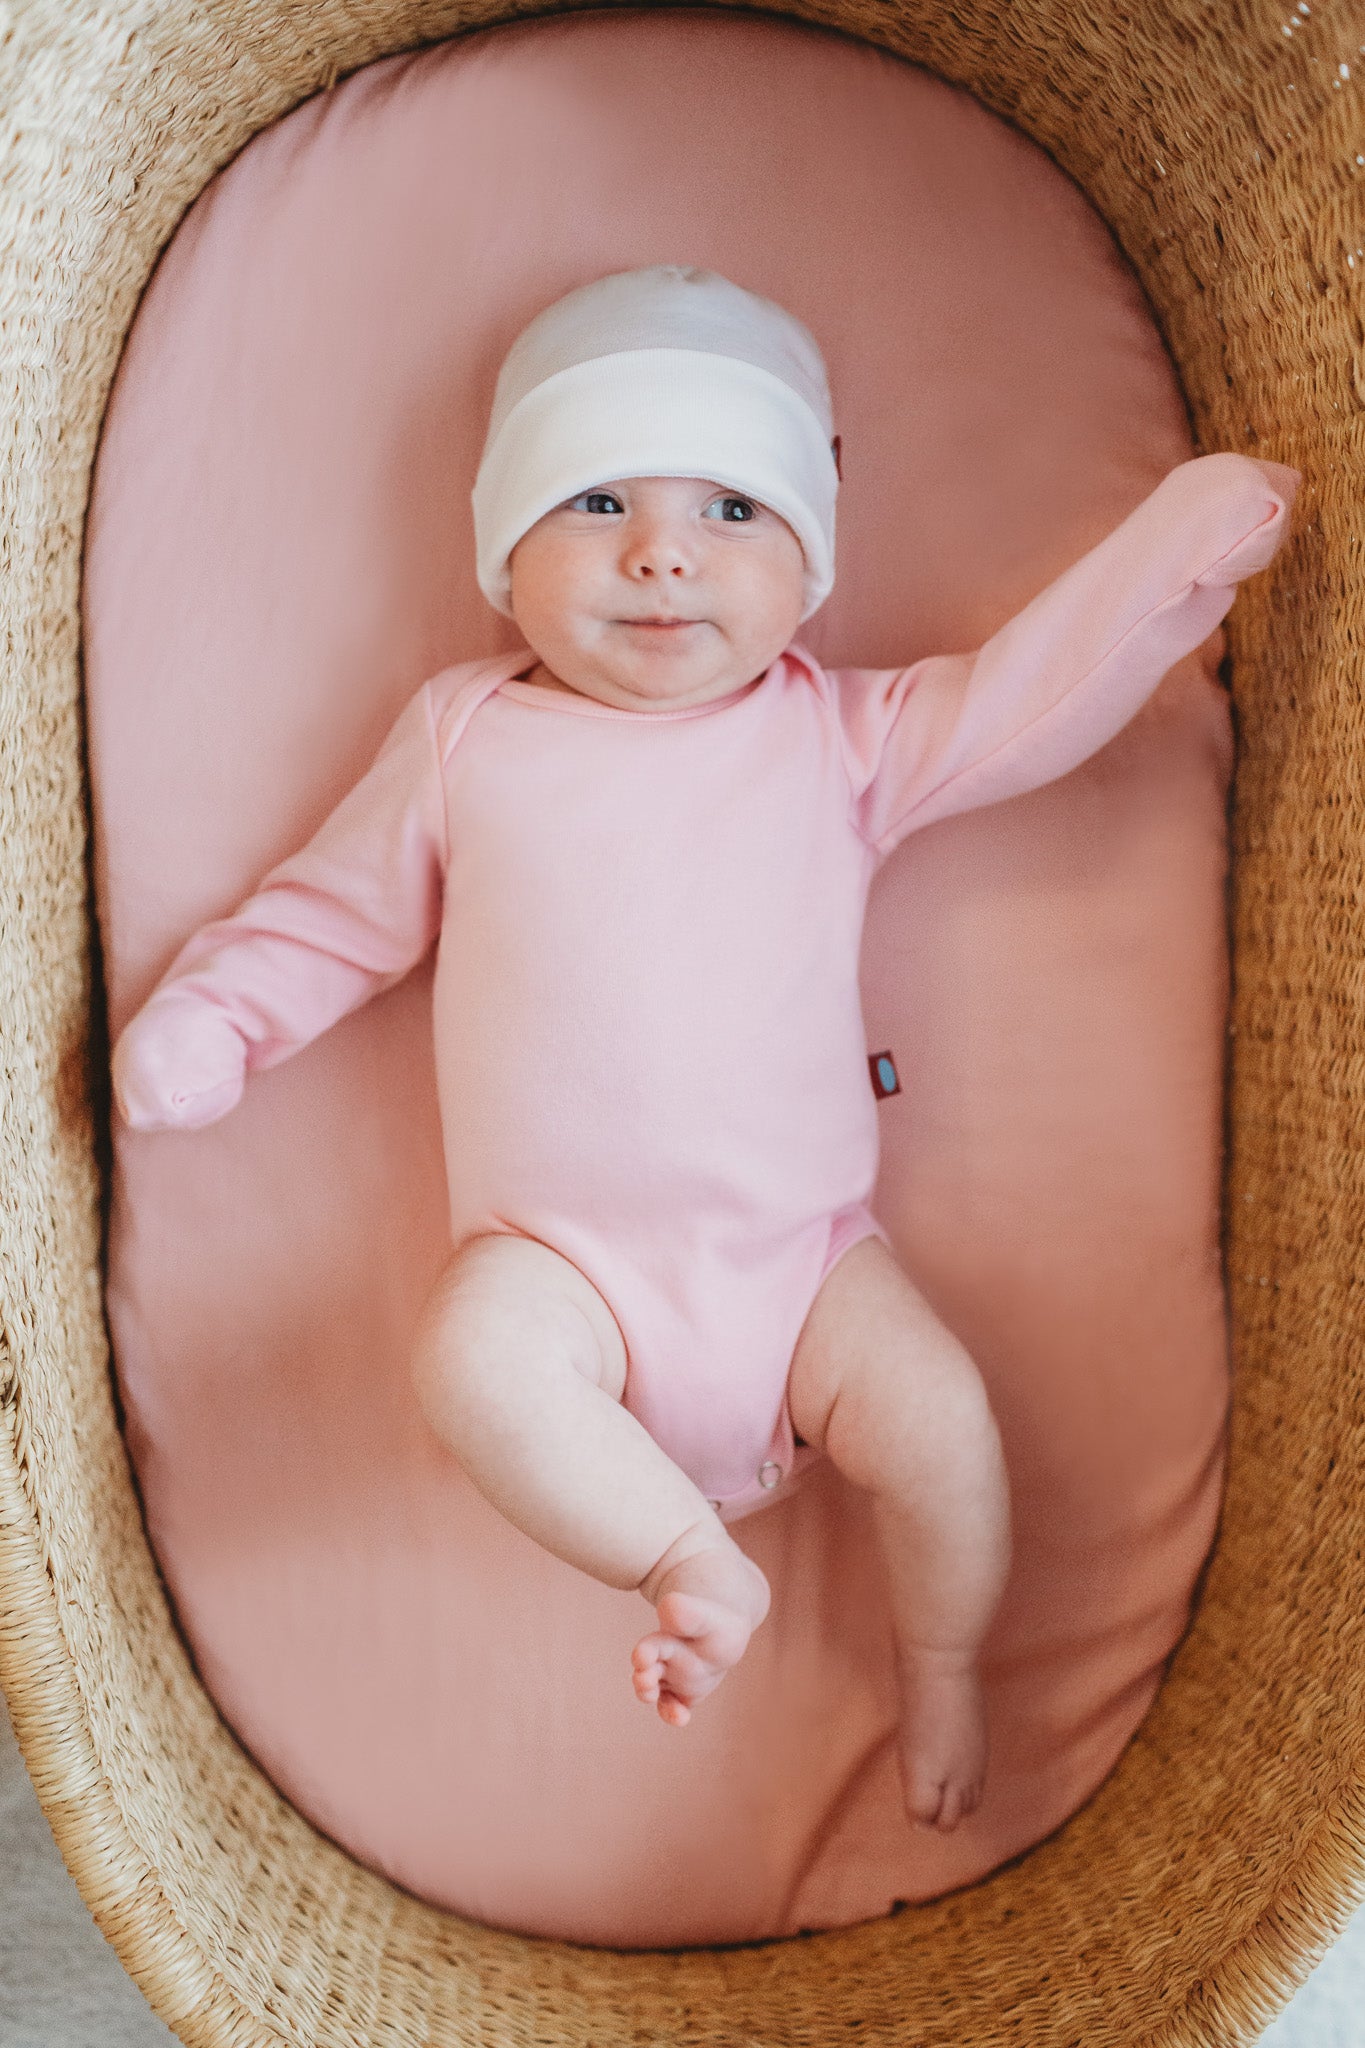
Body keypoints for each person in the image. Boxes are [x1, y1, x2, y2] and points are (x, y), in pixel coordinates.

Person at [110, 264, 1300, 1833]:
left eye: (733, 509)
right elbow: (336, 914)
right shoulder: (468, 737)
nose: (663, 551)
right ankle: (682, 1556)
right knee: (471, 1362)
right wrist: (216, 1016)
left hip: (805, 1272)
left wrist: (1176, 557)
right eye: (597, 498)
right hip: (558, 1265)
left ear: (809, 566)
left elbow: (1033, 698)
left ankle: (942, 1660)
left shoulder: (838, 735)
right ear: (502, 552)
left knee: (942, 1429)